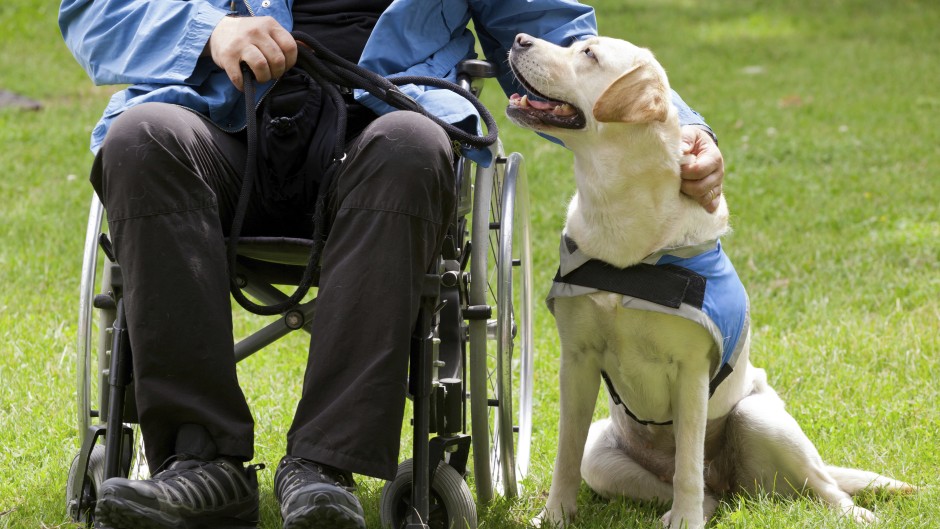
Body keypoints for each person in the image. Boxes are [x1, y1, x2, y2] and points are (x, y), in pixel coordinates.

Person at [58, 1, 725, 528]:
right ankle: (200, 463)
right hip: (222, 122)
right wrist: (210, 31)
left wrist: (682, 132)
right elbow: (94, 9)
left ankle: (323, 466)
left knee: (413, 143)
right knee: (140, 140)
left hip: (381, 130)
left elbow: (553, 31)